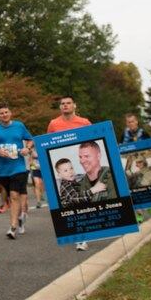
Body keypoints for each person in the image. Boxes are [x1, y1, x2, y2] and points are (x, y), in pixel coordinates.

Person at [46, 96, 93, 251]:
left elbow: (94, 141)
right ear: (60, 107)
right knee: (69, 201)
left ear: (74, 106)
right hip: (65, 167)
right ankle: (79, 235)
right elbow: (47, 144)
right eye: (62, 104)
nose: (65, 105)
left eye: (68, 103)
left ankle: (84, 236)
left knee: (84, 200)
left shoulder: (84, 122)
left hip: (81, 165)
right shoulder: (54, 124)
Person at [0, 102, 34, 240]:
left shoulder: (19, 126)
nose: (4, 115)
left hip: (18, 167)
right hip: (3, 169)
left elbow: (30, 140)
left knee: (14, 195)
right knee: (10, 198)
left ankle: (12, 227)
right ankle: (19, 217)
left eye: (6, 112)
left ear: (10, 113)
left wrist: (27, 149)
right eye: (1, 113)